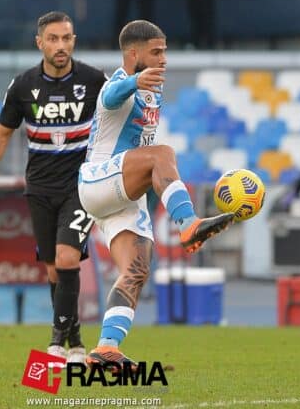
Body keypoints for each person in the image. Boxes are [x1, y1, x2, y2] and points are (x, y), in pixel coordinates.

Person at [78, 20, 235, 368]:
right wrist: (135, 80)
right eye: (157, 52)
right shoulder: (118, 83)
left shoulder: (155, 91)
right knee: (162, 154)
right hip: (97, 180)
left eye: (165, 51)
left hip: (125, 194)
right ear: (134, 54)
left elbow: (143, 162)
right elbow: (109, 97)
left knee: (136, 270)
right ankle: (188, 223)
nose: (164, 59)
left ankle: (106, 348)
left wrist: (148, 210)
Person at [0, 11, 107, 364]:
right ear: (40, 43)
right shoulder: (22, 86)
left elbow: (120, 121)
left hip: (80, 187)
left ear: (74, 41)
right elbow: (2, 135)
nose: (61, 46)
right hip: (40, 188)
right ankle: (76, 342)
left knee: (66, 258)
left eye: (67, 38)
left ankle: (56, 344)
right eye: (53, 39)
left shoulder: (95, 81)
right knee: (52, 269)